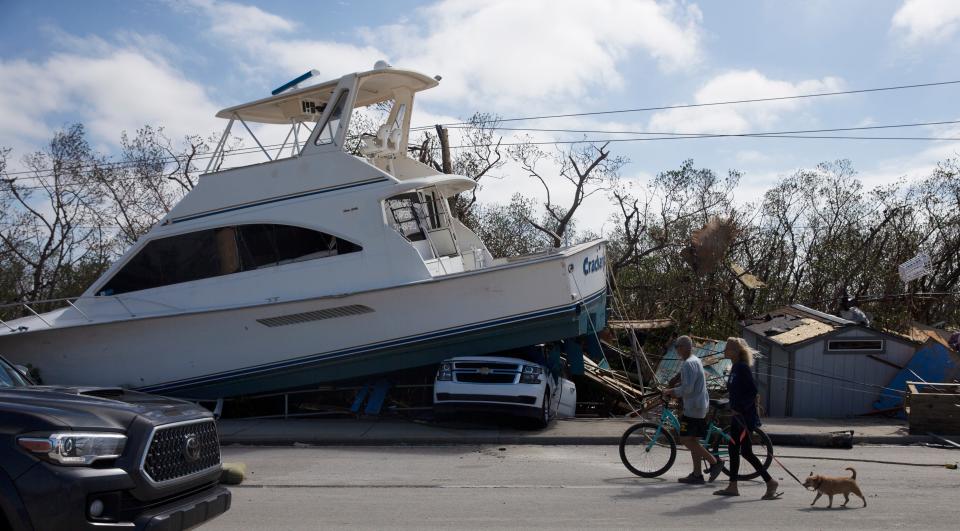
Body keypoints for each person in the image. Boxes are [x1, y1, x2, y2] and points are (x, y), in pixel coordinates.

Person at [713, 337, 780, 499]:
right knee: (740, 450)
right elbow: (738, 390)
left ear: (735, 351)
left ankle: (768, 482)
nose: (724, 350)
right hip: (738, 416)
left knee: (741, 450)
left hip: (743, 418)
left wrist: (740, 409)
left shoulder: (742, 367)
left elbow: (752, 392)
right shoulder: (735, 367)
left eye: (727, 348)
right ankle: (735, 485)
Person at [662, 335, 723, 484]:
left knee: (685, 439)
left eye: (677, 347)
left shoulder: (688, 364)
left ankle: (714, 462)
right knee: (694, 440)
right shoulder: (695, 360)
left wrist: (671, 391)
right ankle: (697, 474)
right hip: (699, 405)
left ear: (684, 347)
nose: (677, 351)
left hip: (694, 408)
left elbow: (687, 388)